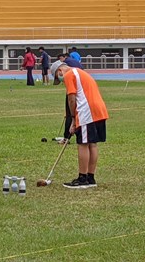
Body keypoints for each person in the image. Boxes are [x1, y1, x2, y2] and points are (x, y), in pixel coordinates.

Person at [50, 60, 109, 189]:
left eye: (58, 78)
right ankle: (90, 177)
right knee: (92, 144)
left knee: (83, 144)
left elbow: (71, 98)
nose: (61, 81)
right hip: (99, 109)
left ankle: (82, 178)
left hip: (86, 111)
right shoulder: (82, 72)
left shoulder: (69, 75)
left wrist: (73, 119)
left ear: (60, 71)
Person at [56, 53, 83, 144]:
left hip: (75, 89)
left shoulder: (66, 66)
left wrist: (70, 115)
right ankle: (79, 135)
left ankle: (66, 137)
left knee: (70, 113)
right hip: (81, 89)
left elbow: (71, 99)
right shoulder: (74, 61)